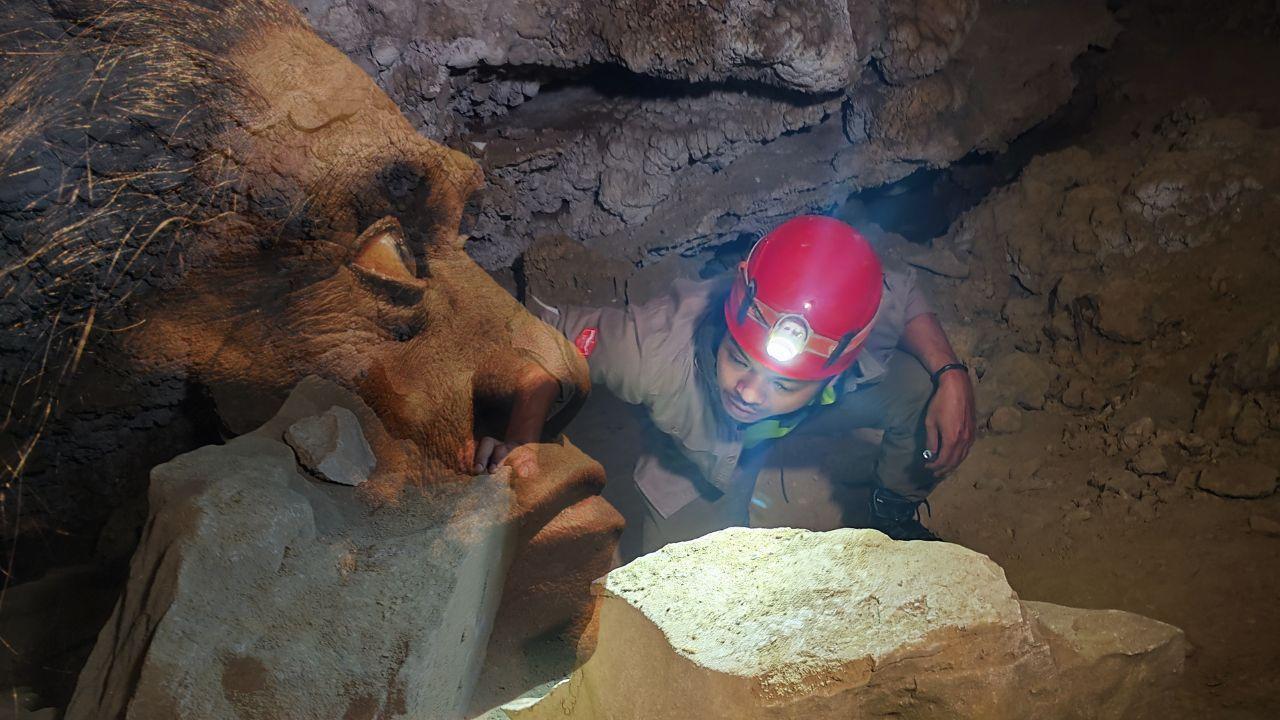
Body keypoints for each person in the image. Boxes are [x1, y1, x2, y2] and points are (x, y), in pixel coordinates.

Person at [473, 215, 975, 557]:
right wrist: (521, 439)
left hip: (820, 405)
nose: (749, 392)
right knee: (690, 597)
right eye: (738, 358)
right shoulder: (653, 349)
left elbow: (903, 293)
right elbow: (545, 336)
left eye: (782, 382)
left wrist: (951, 374)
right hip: (706, 454)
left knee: (923, 392)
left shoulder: (852, 309)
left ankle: (892, 516)